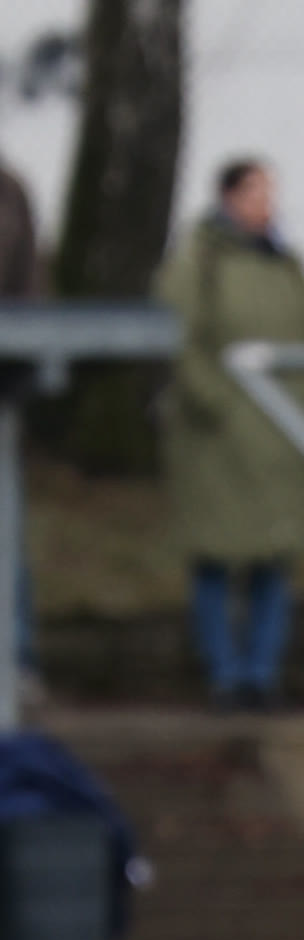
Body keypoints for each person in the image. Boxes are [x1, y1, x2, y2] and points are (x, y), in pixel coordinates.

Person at [156, 160, 304, 708]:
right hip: (218, 440)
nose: (266, 203)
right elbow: (180, 338)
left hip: (281, 435)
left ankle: (262, 672)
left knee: (274, 555)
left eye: (271, 192)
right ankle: (223, 673)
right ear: (228, 196)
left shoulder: (288, 263)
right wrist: (218, 403)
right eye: (255, 192)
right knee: (215, 554)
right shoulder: (198, 261)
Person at [0, 151, 40, 693]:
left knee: (5, 528)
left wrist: (23, 361)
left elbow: (31, 282)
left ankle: (15, 656)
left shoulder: (8, 189)